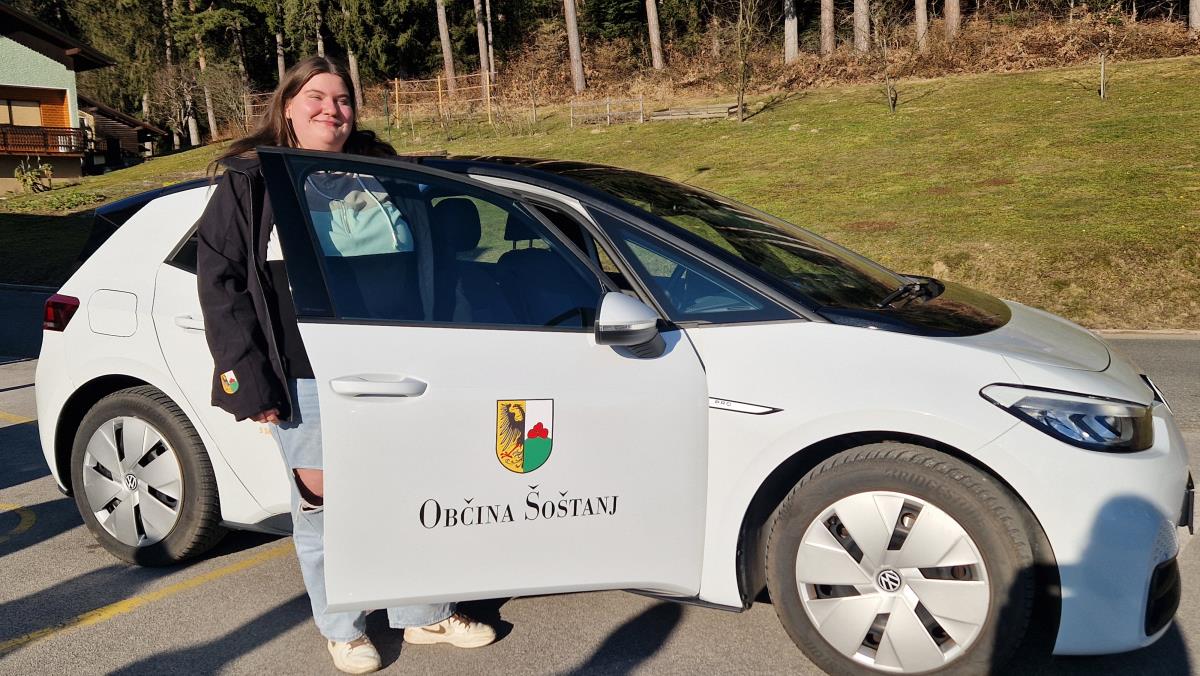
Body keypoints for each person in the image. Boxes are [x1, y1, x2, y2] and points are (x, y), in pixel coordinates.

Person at [195, 56, 496, 675]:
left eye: (342, 99)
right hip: (305, 373)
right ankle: (344, 628)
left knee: (410, 493)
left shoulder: (382, 175)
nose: (332, 110)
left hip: (398, 369)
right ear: (287, 107)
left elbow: (433, 264)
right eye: (317, 97)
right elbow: (221, 286)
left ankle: (422, 613)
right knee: (324, 507)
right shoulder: (253, 183)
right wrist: (251, 380)